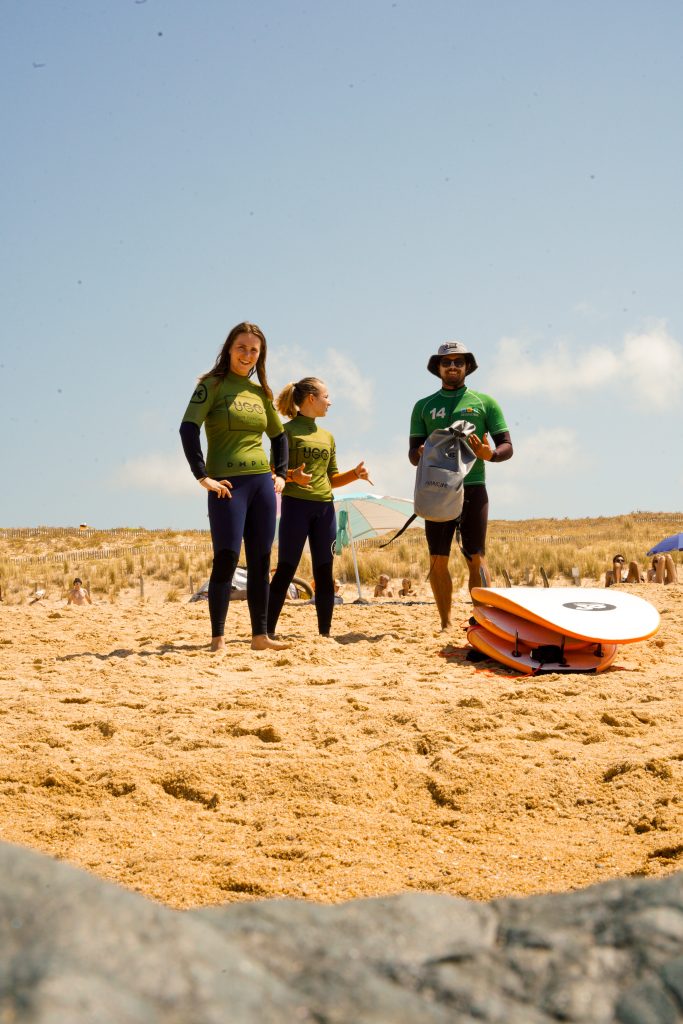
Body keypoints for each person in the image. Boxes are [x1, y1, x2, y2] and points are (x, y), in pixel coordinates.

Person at [179, 322, 289, 652]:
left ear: (260, 355)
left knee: (260, 560)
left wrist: (280, 474)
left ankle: (260, 636)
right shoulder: (211, 385)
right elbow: (187, 429)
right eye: (241, 347)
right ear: (229, 348)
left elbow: (279, 436)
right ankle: (218, 639)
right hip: (227, 486)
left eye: (254, 350)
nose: (247, 354)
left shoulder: (261, 394)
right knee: (226, 558)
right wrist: (202, 476)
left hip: (261, 486)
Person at [409, 340, 513, 630]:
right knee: (437, 560)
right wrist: (419, 454)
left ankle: (485, 622)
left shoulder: (484, 403)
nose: (452, 366)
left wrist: (488, 454)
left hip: (473, 486)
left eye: (458, 361)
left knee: (476, 557)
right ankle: (444, 624)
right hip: (436, 490)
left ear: (468, 366)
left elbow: (507, 446)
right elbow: (411, 454)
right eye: (446, 362)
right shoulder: (424, 406)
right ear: (438, 368)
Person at [267, 377, 371, 639]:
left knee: (324, 572)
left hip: (325, 509)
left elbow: (331, 478)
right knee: (285, 570)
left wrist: (354, 475)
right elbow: (272, 471)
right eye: (326, 396)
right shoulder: (285, 432)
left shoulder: (328, 437)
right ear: (311, 399)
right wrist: (293, 476)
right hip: (295, 507)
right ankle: (266, 631)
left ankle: (324, 634)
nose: (330, 401)